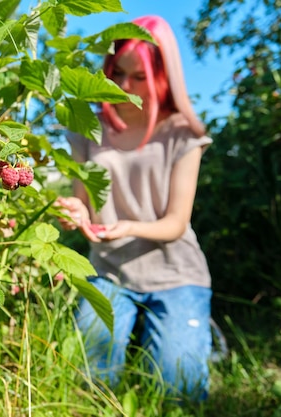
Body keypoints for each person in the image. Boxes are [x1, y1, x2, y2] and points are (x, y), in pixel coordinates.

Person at [57, 15, 213, 400]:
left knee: (180, 391)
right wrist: (75, 210)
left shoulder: (182, 134)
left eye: (138, 76)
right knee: (88, 383)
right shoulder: (86, 128)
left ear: (164, 73)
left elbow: (176, 223)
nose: (124, 86)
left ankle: (189, 329)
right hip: (108, 271)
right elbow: (84, 198)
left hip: (174, 272)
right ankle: (145, 329)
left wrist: (127, 227)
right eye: (117, 72)